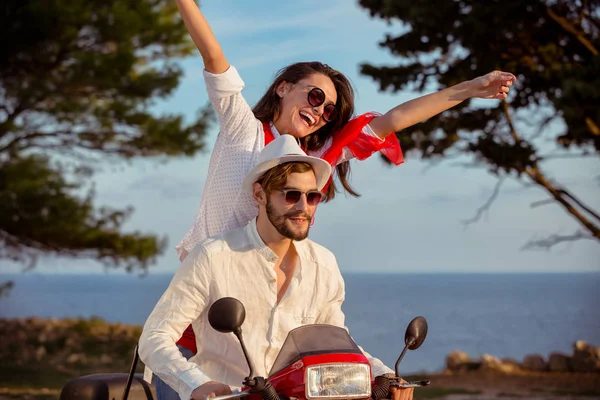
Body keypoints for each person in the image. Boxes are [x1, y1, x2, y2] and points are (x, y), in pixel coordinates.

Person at [161, 1, 517, 397]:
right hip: (202, 307)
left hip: (263, 304)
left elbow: (395, 119)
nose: (320, 112)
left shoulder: (318, 160)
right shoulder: (243, 127)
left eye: (329, 110)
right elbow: (214, 56)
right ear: (282, 88)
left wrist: (469, 89)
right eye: (315, 97)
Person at [139, 135, 414, 400]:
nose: (304, 207)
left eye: (312, 197)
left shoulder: (323, 264)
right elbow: (155, 337)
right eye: (291, 195)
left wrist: (383, 374)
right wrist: (197, 383)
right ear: (260, 195)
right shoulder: (212, 256)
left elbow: (336, 342)